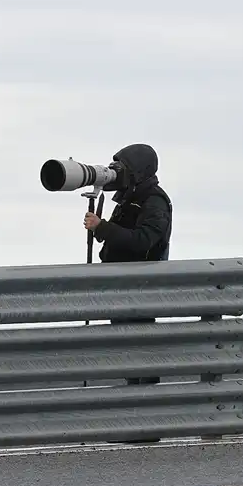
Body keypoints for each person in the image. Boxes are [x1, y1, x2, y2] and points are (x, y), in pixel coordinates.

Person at [83, 143, 172, 433]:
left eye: (123, 168)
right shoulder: (131, 199)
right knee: (128, 356)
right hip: (123, 289)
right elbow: (117, 239)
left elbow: (143, 241)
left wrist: (102, 227)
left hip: (142, 292)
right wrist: (101, 229)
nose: (118, 174)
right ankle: (134, 425)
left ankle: (145, 427)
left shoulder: (154, 201)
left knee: (140, 358)